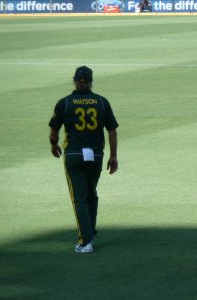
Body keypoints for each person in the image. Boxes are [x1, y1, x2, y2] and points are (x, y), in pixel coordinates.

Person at [48, 66, 119, 253]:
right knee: (91, 195)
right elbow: (112, 130)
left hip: (73, 156)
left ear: (74, 81)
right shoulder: (102, 102)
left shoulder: (64, 103)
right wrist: (113, 156)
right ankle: (90, 233)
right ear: (91, 82)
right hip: (95, 156)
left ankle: (85, 241)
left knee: (79, 198)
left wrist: (53, 144)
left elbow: (54, 128)